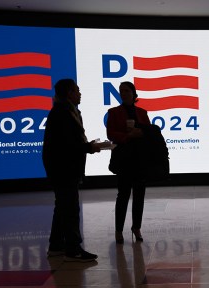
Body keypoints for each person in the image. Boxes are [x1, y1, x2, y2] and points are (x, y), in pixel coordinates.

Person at [42, 78, 104, 262]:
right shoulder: (62, 113)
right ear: (69, 93)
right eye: (77, 90)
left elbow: (71, 142)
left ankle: (56, 246)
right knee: (69, 208)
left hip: (64, 167)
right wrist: (88, 148)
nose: (80, 93)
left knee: (62, 207)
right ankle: (73, 249)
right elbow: (67, 145)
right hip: (63, 168)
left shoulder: (68, 111)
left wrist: (87, 146)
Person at [106, 81, 151, 244]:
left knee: (139, 195)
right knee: (123, 195)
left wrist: (141, 133)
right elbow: (110, 133)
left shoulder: (142, 112)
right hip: (124, 158)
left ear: (133, 93)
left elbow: (149, 132)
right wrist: (127, 136)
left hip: (140, 159)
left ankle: (136, 227)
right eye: (121, 91)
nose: (123, 93)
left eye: (126, 90)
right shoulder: (113, 112)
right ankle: (118, 230)